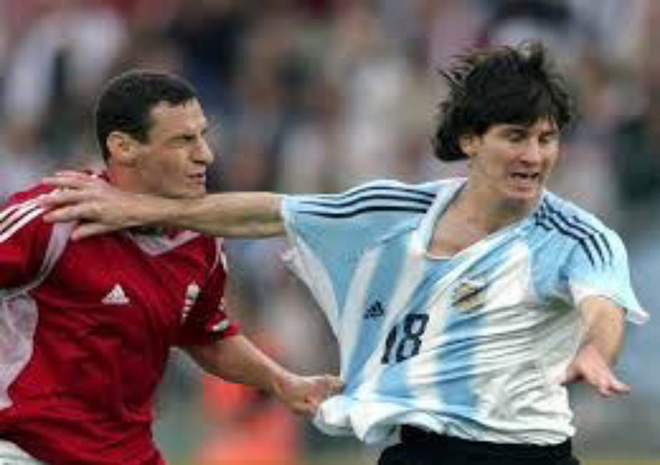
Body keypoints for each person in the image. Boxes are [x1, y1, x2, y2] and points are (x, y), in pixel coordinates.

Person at [40, 42, 648, 465]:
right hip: (419, 452)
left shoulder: (576, 236)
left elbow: (603, 305)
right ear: (470, 139)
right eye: (516, 137)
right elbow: (270, 213)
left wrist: (595, 352)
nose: (535, 156)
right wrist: (138, 208)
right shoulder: (396, 208)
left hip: (528, 456)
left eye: (547, 139)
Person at [0, 71, 342, 465]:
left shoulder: (200, 239)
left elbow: (204, 334)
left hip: (129, 455)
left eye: (202, 136)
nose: (205, 155)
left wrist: (282, 382)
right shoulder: (55, 216)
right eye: (182, 140)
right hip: (26, 451)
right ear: (123, 147)